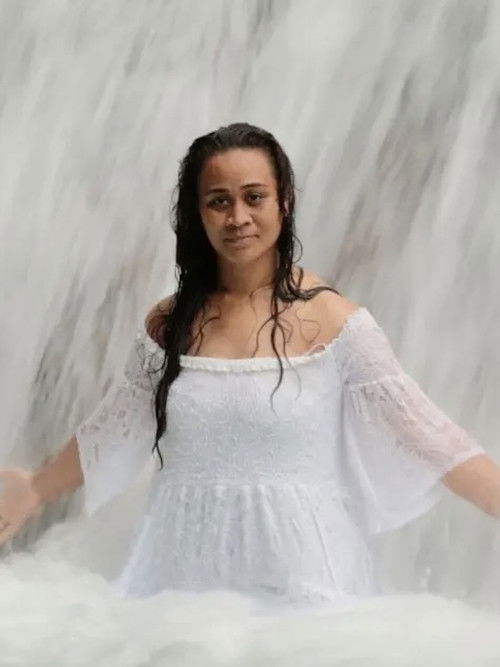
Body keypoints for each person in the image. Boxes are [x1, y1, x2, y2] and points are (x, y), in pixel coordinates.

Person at [0, 122, 498, 606]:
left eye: (254, 197)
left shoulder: (336, 322)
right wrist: (36, 489)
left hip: (303, 583)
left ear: (285, 202)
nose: (237, 217)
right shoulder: (170, 324)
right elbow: (115, 426)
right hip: (180, 583)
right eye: (219, 201)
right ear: (198, 213)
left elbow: (424, 434)